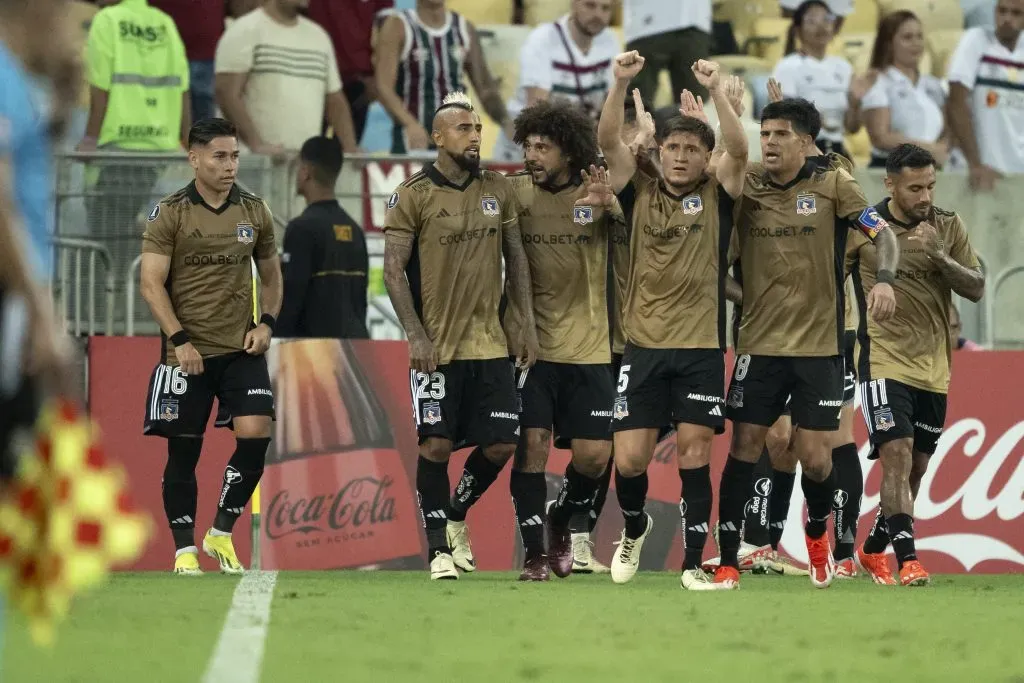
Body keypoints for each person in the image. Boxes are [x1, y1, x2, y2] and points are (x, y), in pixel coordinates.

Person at [721, 96, 900, 590]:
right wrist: (750, 297)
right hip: (758, 345)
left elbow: (883, 234)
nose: (770, 143)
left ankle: (817, 534)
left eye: (781, 135)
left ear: (805, 142)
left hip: (820, 348)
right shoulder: (747, 183)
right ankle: (730, 558)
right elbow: (714, 264)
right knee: (745, 446)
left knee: (817, 458)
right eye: (765, 134)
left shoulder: (833, 184)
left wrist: (884, 279)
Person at [595, 52, 748, 590]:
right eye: (673, 148)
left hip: (701, 351)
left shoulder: (718, 194)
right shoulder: (637, 192)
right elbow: (610, 142)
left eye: (691, 149)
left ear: (707, 156)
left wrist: (720, 99)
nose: (681, 156)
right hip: (643, 349)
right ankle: (635, 526)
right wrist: (619, 83)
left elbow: (740, 149)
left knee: (694, 455)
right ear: (659, 152)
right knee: (630, 460)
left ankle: (691, 565)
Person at [382, 92, 538, 581]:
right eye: (465, 129)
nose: (475, 136)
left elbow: (518, 261)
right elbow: (392, 272)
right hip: (439, 348)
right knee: (436, 448)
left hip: (490, 344)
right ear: (437, 136)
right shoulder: (413, 194)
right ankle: (436, 552)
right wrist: (416, 335)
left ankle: (453, 515)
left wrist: (524, 323)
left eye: (477, 128)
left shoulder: (498, 188)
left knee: (501, 445)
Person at [473, 99, 613, 581]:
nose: (532, 155)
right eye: (528, 145)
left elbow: (640, 240)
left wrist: (610, 205)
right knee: (532, 446)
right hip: (532, 349)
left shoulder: (596, 193)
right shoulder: (514, 194)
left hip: (591, 346)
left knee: (595, 458)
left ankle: (559, 518)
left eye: (543, 147)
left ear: (570, 153)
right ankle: (534, 554)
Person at [139, 118, 283, 576]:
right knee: (184, 451)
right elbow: (150, 283)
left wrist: (266, 324)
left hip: (241, 349)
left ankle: (220, 531)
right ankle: (184, 549)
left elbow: (273, 275)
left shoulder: (255, 211)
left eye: (235, 156)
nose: (229, 165)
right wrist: (179, 340)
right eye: (219, 156)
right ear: (194, 157)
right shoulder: (171, 212)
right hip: (187, 352)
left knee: (256, 433)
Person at [849, 143, 984, 587]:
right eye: (914, 188)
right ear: (889, 184)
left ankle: (871, 550)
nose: (925, 196)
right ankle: (908, 560)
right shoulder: (864, 225)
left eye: (929, 185)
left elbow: (978, 287)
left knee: (918, 468)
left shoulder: (947, 224)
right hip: (882, 360)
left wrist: (941, 258)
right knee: (897, 454)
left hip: (933, 367)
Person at [214, 0, 359, 155]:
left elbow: (334, 99)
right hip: (252, 163)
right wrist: (256, 145)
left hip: (305, 164)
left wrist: (350, 148)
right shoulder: (244, 31)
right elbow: (227, 94)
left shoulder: (319, 37)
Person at [374, 0, 509, 154]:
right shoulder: (397, 26)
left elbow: (485, 90)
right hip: (413, 143)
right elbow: (383, 87)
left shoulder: (464, 29)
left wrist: (506, 123)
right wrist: (409, 124)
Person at [491, 0, 618, 162]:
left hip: (571, 144)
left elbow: (610, 105)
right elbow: (536, 111)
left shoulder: (609, 41)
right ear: (574, 4)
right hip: (524, 145)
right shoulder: (543, 39)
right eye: (590, 5)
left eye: (605, 8)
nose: (598, 15)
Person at [278, 136, 369, 339]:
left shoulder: (301, 228)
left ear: (306, 171)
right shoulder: (355, 231)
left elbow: (291, 298)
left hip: (314, 353)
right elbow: (360, 301)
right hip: (356, 350)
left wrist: (273, 342)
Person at [771, 0, 871, 159]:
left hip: (837, 151)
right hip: (802, 152)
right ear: (798, 30)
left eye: (826, 20)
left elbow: (852, 128)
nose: (821, 26)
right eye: (812, 21)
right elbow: (782, 118)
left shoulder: (844, 68)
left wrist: (855, 104)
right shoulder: (787, 66)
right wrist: (817, 121)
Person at [947, 0, 1024, 191]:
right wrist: (975, 163)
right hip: (978, 173)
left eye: (1016, 13)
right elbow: (956, 100)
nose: (1007, 18)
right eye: (1002, 11)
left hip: (1017, 173)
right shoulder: (976, 39)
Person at [862, 11, 949, 168]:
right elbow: (880, 137)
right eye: (907, 37)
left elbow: (949, 129)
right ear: (889, 44)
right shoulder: (879, 82)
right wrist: (926, 150)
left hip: (930, 170)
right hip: (891, 170)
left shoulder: (934, 85)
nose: (916, 43)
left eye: (919, 36)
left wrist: (943, 148)